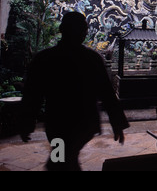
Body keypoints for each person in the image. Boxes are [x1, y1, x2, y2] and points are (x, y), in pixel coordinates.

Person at [20, 12, 129, 171]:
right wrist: (117, 123)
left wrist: (26, 123)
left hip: (58, 122)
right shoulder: (92, 58)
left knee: (61, 158)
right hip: (83, 124)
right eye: (83, 29)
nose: (84, 33)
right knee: (64, 158)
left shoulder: (45, 58)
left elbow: (32, 95)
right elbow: (107, 94)